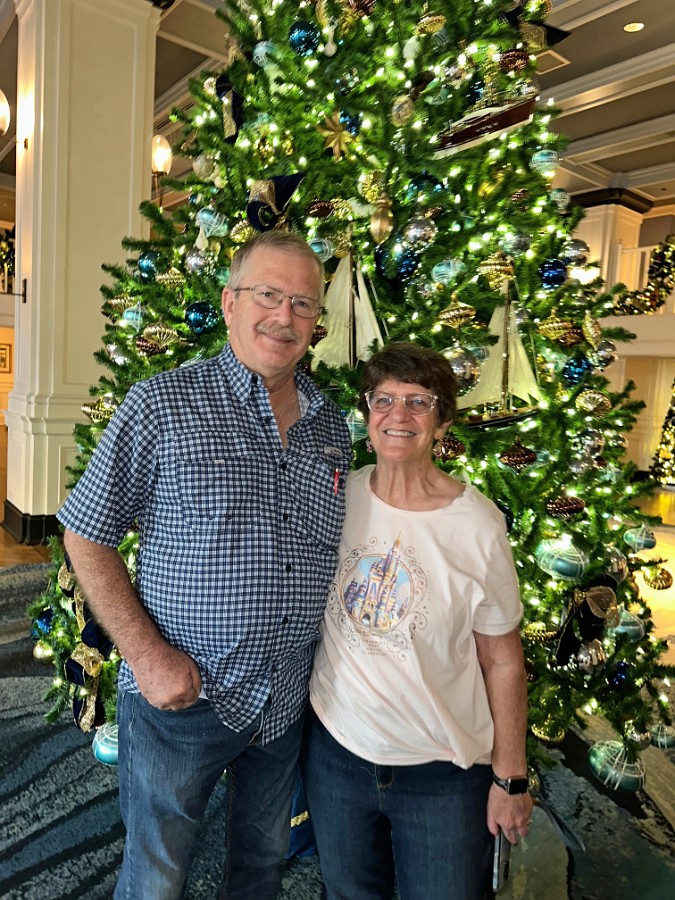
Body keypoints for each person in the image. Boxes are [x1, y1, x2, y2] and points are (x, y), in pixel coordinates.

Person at [57, 230, 352, 900]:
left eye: (302, 304)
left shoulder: (330, 426)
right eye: (267, 295)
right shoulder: (161, 404)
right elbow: (86, 533)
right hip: (183, 700)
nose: (284, 316)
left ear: (316, 320)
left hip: (284, 696)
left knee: (261, 863)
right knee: (157, 875)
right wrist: (146, 657)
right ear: (228, 303)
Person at [301, 342, 533, 900]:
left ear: (442, 421)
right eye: (383, 399)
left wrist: (511, 778)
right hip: (338, 754)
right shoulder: (340, 496)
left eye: (418, 401)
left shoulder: (477, 525)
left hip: (442, 772)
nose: (397, 414)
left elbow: (503, 660)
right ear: (367, 413)